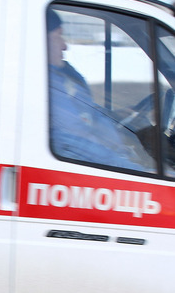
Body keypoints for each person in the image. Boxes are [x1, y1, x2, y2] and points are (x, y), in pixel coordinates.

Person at [47, 9, 155, 172]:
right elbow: (77, 140)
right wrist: (135, 170)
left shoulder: (62, 76)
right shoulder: (48, 87)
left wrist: (115, 116)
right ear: (42, 41)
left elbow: (86, 111)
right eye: (58, 36)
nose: (64, 46)